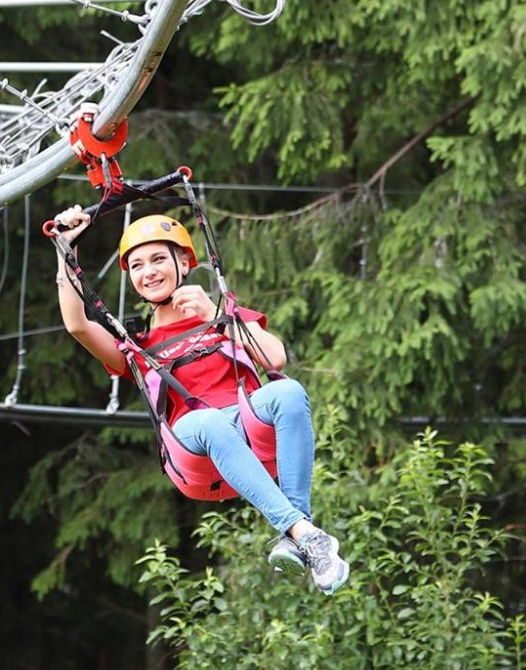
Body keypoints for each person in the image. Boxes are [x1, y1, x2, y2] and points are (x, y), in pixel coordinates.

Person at [50, 207, 349, 593]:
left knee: (288, 391)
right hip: (192, 446)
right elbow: (77, 324)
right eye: (138, 265)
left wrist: (215, 313)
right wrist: (64, 250)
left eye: (158, 259)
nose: (149, 272)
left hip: (247, 429)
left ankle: (301, 534)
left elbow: (274, 359)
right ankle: (302, 530)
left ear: (185, 262)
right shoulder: (135, 347)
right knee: (208, 420)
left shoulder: (221, 313)